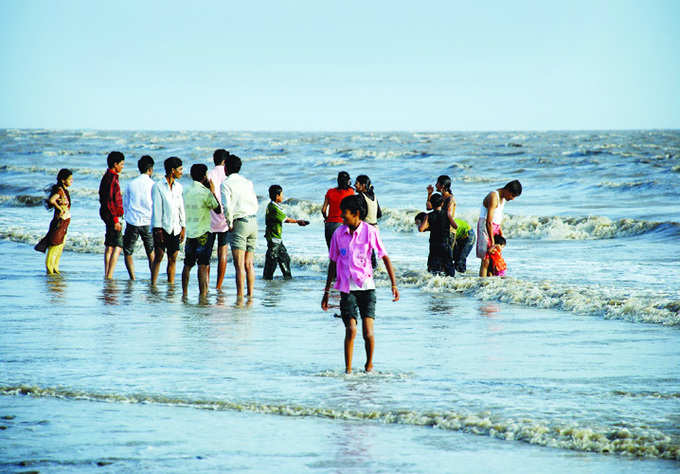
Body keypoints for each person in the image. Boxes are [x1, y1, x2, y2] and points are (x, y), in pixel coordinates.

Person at [321, 195, 400, 374]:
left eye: (345, 213)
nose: (342, 216)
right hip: (346, 289)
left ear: (356, 214)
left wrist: (393, 284)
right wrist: (326, 292)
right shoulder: (338, 233)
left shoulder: (370, 232)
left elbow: (385, 257)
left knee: (368, 333)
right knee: (351, 329)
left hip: (367, 288)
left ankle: (368, 367)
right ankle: (348, 371)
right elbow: (333, 263)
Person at [221, 155, 259, 301]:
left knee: (239, 265)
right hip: (253, 221)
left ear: (226, 168)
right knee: (249, 263)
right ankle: (250, 296)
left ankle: (240, 297)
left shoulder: (226, 184)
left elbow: (227, 206)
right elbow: (254, 202)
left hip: (240, 223)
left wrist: (229, 223)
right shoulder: (248, 182)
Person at [181, 164, 221, 298]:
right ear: (204, 176)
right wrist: (213, 191)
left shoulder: (185, 191)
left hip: (190, 233)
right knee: (203, 265)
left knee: (187, 265)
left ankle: (184, 293)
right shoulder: (205, 193)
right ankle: (202, 294)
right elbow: (218, 209)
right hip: (204, 233)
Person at [151, 157, 185, 285]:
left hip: (175, 228)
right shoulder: (158, 186)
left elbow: (181, 208)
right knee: (159, 257)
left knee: (173, 258)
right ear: (172, 170)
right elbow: (157, 209)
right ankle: (153, 284)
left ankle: (171, 286)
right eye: (180, 169)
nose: (181, 172)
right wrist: (157, 229)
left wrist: (183, 227)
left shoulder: (179, 187)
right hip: (162, 228)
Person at [263, 184, 309, 280]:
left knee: (284, 258)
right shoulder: (274, 208)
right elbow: (286, 219)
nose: (283, 196)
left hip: (277, 239)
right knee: (272, 261)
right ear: (277, 196)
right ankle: (267, 279)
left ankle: (287, 277)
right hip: (273, 238)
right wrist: (298, 221)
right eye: (282, 194)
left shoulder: (273, 206)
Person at [477, 180, 522, 276]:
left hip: (495, 227)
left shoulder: (503, 199)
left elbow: (498, 216)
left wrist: (500, 232)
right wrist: (492, 242)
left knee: (494, 258)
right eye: (513, 196)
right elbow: (488, 221)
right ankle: (482, 283)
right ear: (507, 190)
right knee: (486, 259)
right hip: (486, 227)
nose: (512, 199)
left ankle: (490, 282)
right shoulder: (494, 196)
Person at [122, 155, 155, 280]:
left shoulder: (131, 184)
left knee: (128, 251)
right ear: (150, 169)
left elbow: (126, 204)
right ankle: (153, 277)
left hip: (133, 221)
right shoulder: (153, 184)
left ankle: (133, 277)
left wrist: (126, 217)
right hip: (148, 221)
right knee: (151, 252)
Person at [35, 168, 73, 274]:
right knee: (54, 246)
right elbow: (51, 200)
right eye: (69, 179)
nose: (71, 181)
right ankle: (50, 270)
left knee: (60, 246)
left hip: (64, 222)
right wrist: (60, 208)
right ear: (62, 180)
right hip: (59, 222)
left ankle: (55, 269)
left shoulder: (64, 190)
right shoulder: (59, 190)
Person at [99, 151, 125, 279]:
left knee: (109, 245)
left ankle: (107, 274)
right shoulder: (112, 178)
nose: (122, 167)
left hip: (107, 214)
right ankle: (109, 275)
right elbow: (110, 200)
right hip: (113, 215)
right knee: (118, 245)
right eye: (121, 164)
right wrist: (115, 219)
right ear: (115, 164)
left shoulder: (107, 176)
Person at [207, 149, 230, 290]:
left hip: (209, 220)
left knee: (207, 254)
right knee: (223, 253)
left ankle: (207, 284)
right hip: (225, 221)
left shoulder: (209, 174)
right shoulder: (228, 175)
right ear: (225, 161)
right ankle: (218, 286)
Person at [416, 194, 455, 277]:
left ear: (432, 205)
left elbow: (421, 229)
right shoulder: (447, 213)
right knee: (448, 265)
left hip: (434, 244)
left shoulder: (428, 215)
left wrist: (428, 227)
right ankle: (451, 281)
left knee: (433, 267)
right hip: (445, 243)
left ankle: (434, 282)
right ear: (442, 203)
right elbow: (455, 226)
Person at [355, 175, 382, 268]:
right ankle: (374, 270)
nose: (354, 185)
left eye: (357, 183)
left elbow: (361, 214)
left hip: (365, 229)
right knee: (371, 253)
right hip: (375, 228)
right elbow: (379, 214)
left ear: (363, 186)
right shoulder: (374, 196)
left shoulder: (360, 197)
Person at [321, 171, 354, 248]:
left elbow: (323, 210)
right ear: (348, 181)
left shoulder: (330, 192)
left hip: (329, 225)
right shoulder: (350, 192)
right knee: (343, 251)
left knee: (332, 253)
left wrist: (327, 218)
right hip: (341, 224)